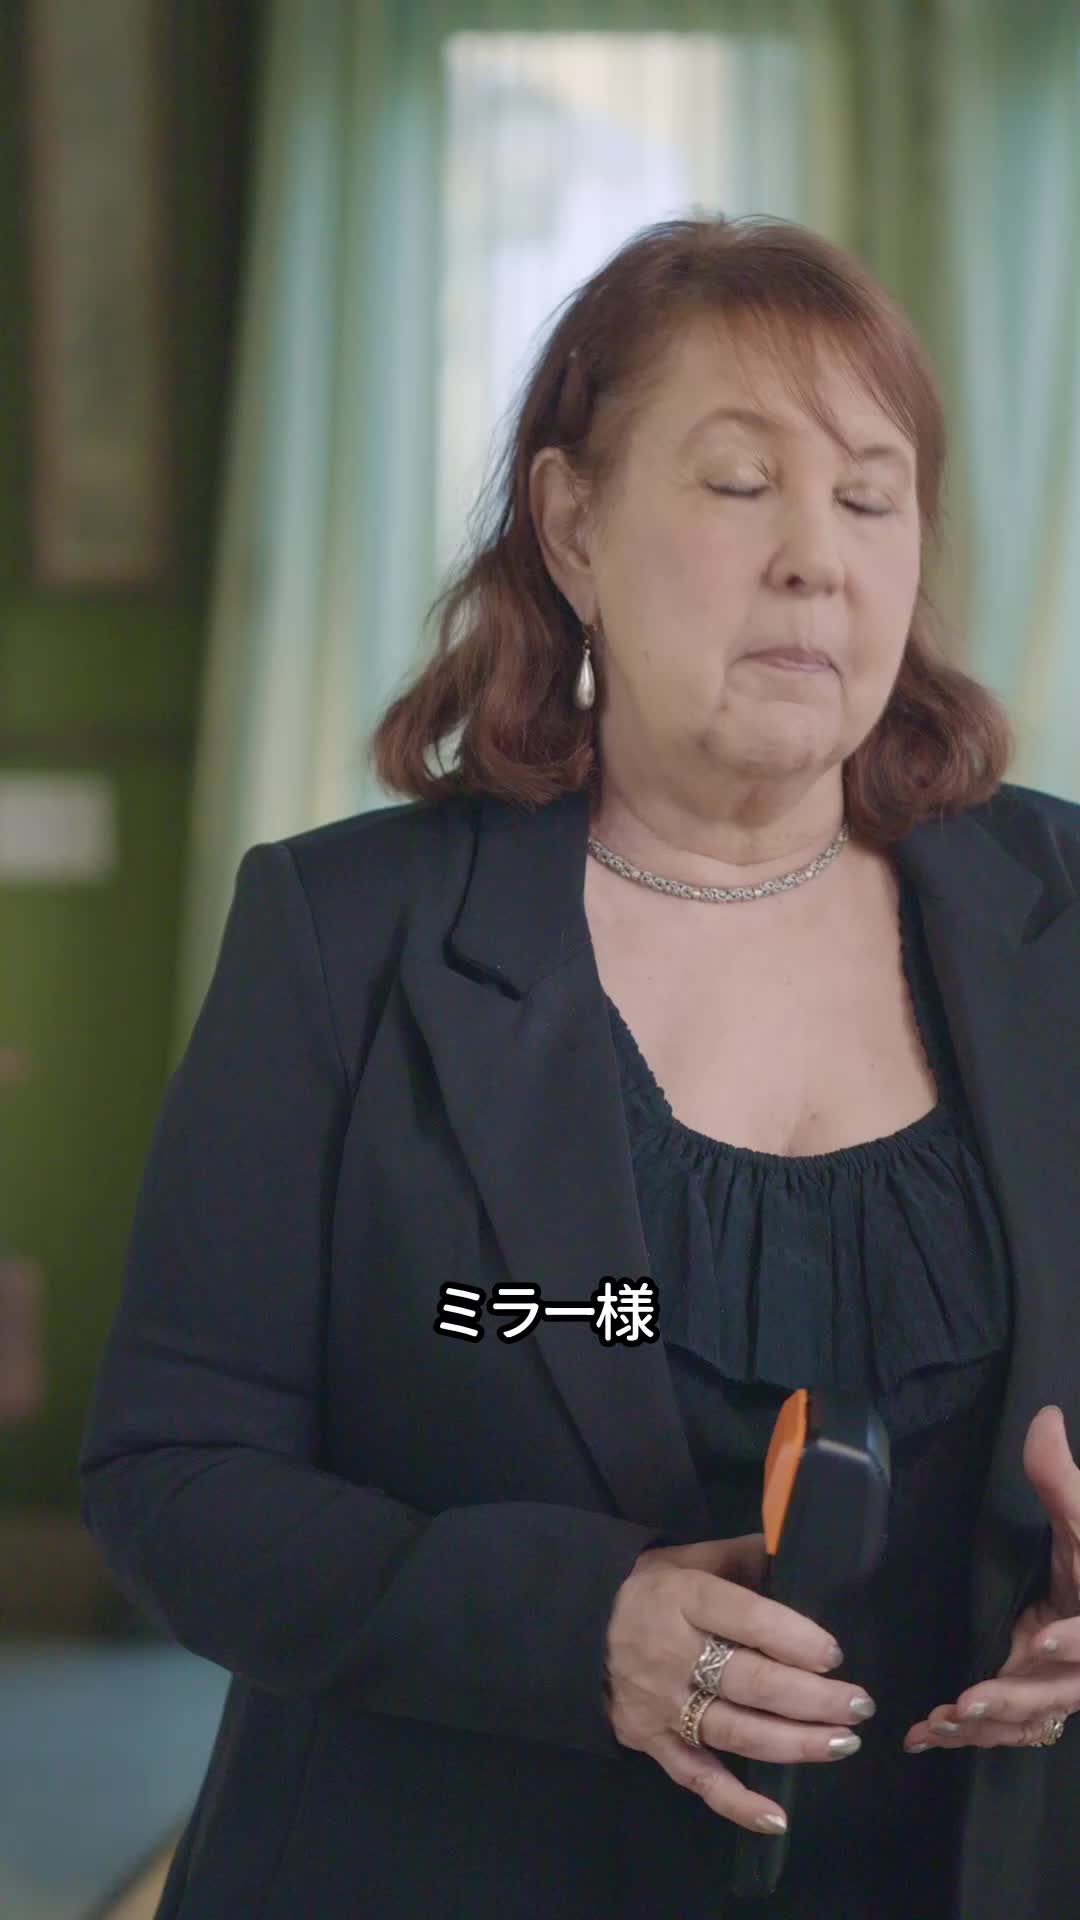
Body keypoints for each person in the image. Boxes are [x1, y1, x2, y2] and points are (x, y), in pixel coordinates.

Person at [79, 215, 1080, 1920]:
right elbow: (173, 1476)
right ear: (571, 526)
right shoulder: (347, 934)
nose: (815, 559)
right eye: (739, 483)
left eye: (869, 496)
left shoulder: (1054, 915)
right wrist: (572, 1626)